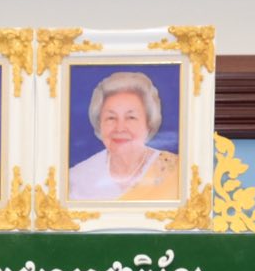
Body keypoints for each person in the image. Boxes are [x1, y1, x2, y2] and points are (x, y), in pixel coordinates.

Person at [67, 70, 181, 202]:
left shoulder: (177, 172)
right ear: (99, 124)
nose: (120, 128)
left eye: (131, 117)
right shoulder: (77, 179)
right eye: (111, 118)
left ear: (149, 123)